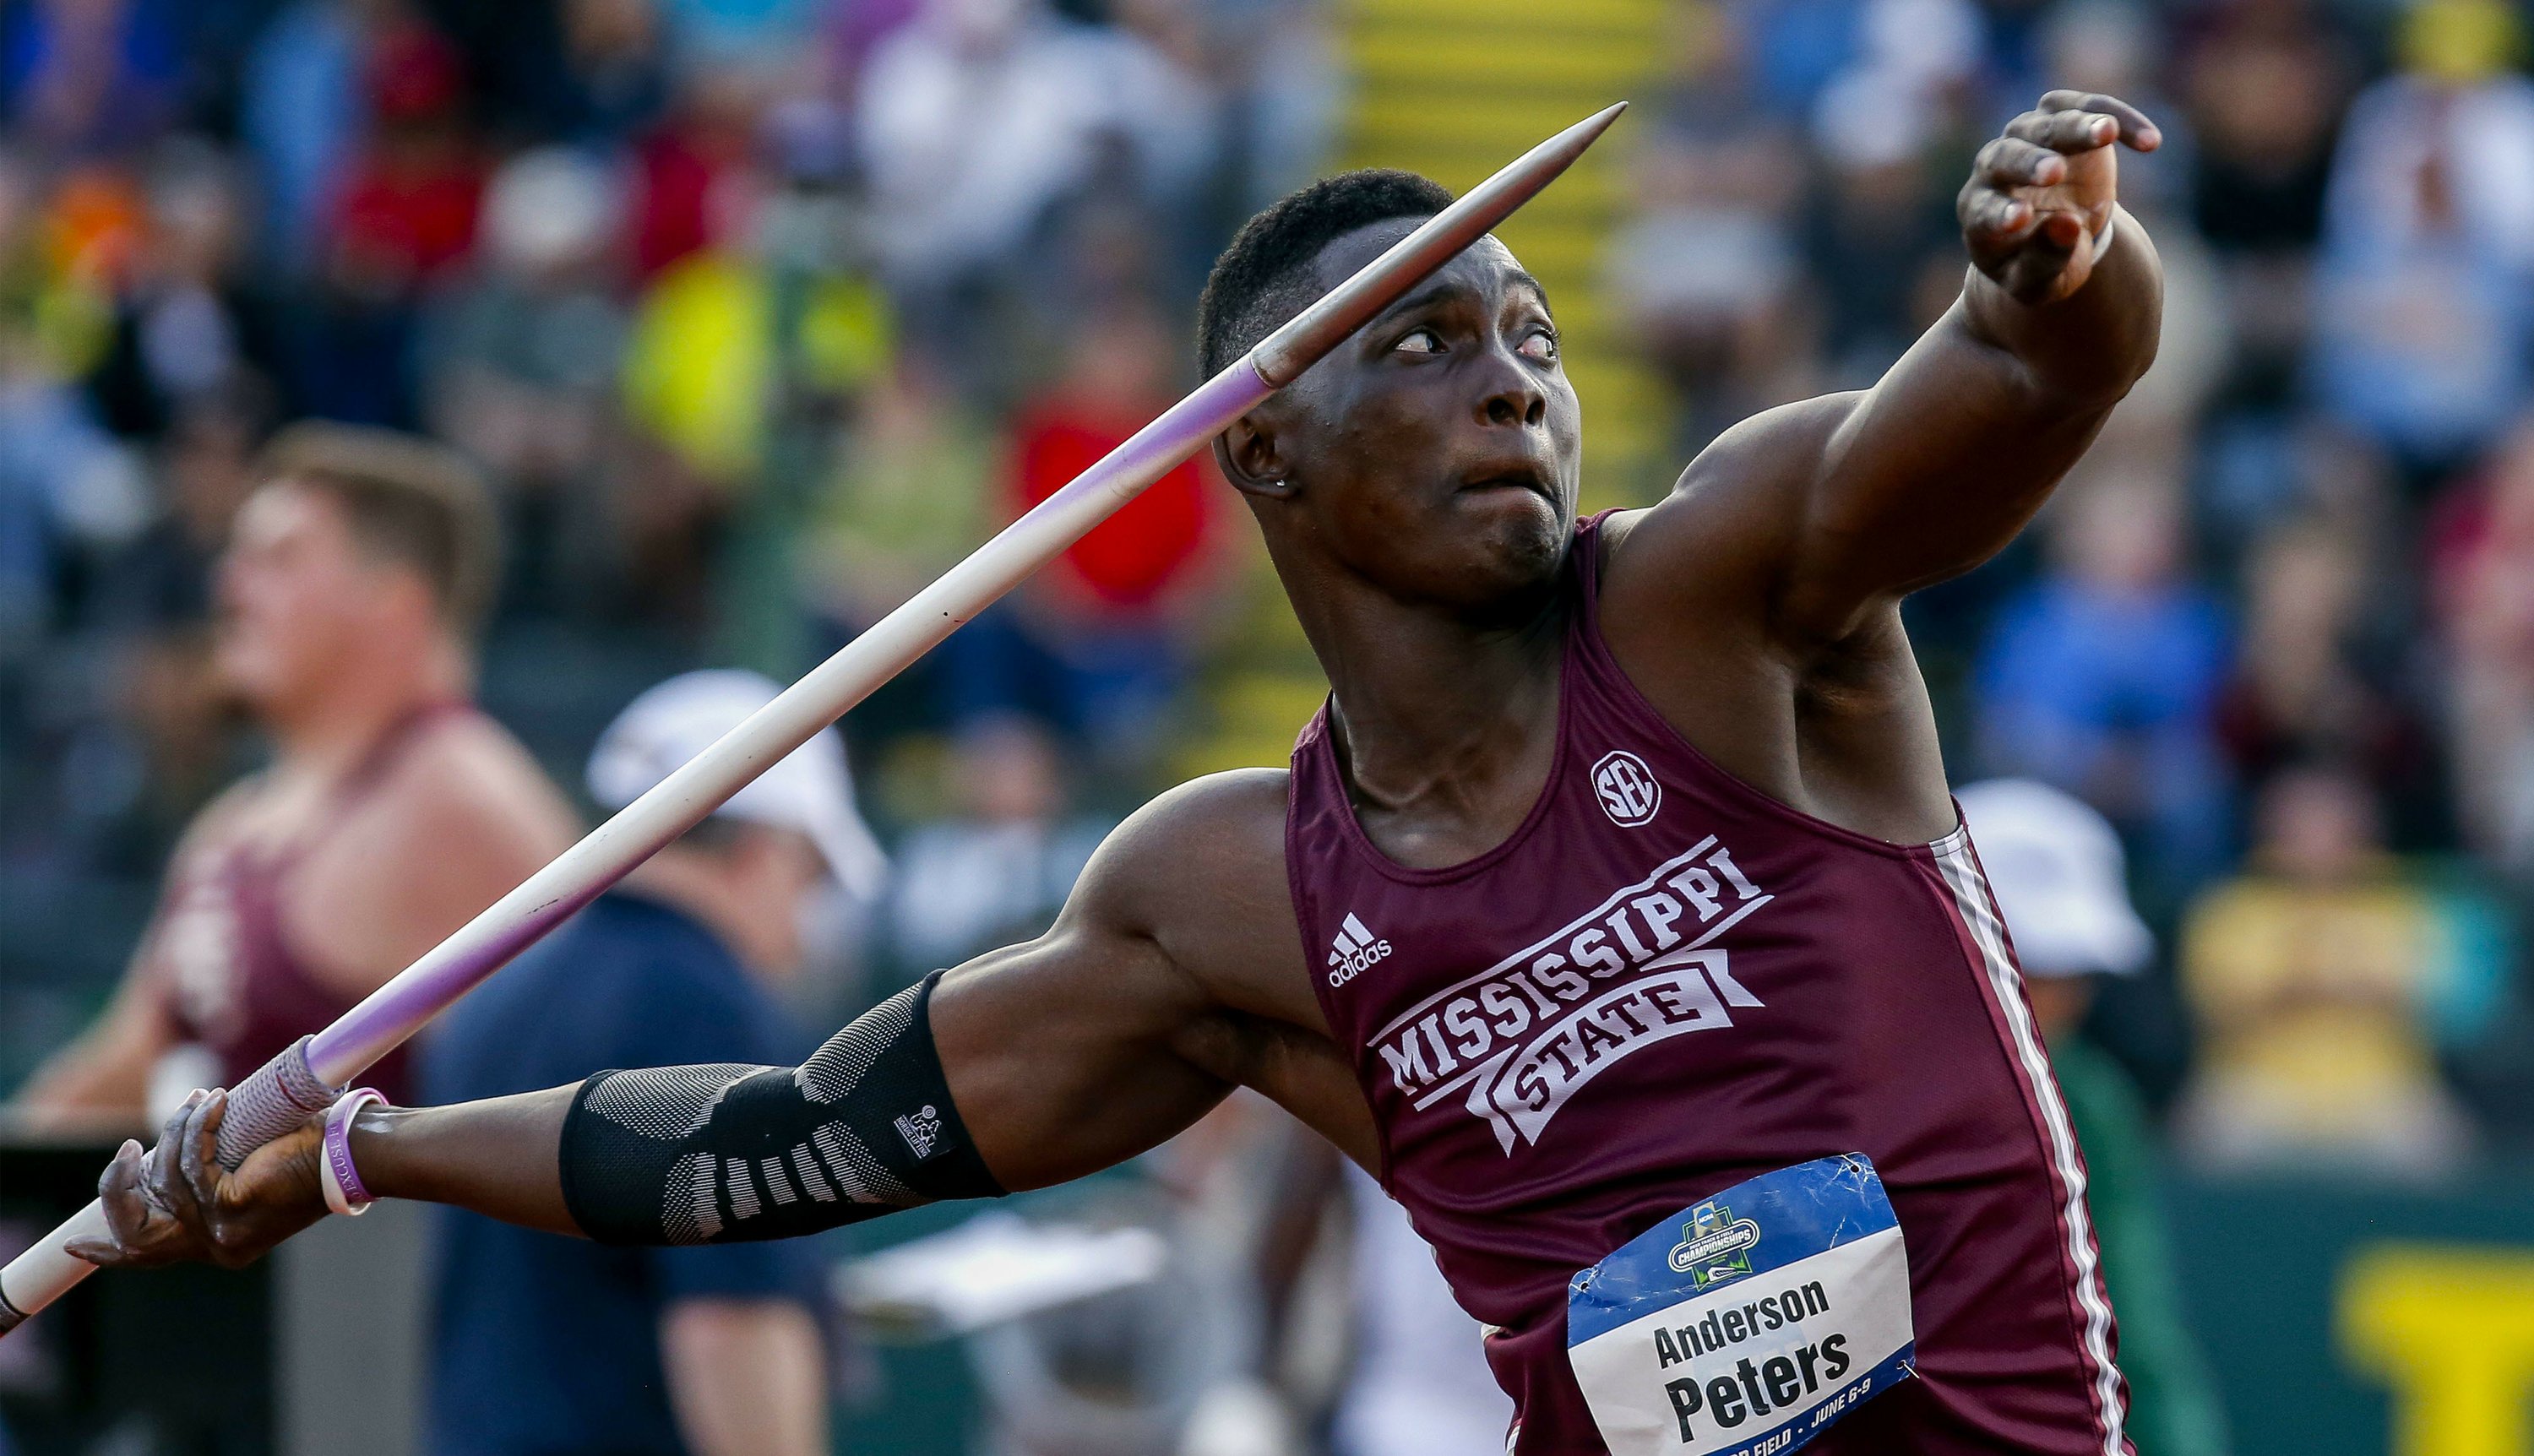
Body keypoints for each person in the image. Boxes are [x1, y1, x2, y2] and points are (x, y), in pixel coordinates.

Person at [78, 90, 2166, 1456]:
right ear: (1256, 448)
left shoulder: (1720, 599)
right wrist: (355, 1150)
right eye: (1423, 343)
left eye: (1526, 337)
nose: (1514, 384)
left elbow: (2014, 374)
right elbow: (799, 1135)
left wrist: (2062, 261)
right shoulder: (1230, 895)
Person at [11, 422, 578, 1126]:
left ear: (393, 599)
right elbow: (120, 1070)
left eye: (277, 558)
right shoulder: (240, 822)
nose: (228, 586)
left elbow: (554, 1119)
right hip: (246, 1236)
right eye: (236, 556)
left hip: (364, 1233)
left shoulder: (462, 809)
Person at [421, 670, 883, 1456]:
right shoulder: (711, 1010)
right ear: (765, 849)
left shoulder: (497, 997)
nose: (805, 929)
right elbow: (731, 1324)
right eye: (809, 877)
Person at [1955, 779, 2231, 1456]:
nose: (2057, 995)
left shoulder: (2090, 1098)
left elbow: (2134, 1319)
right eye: (2028, 958)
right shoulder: (1829, 1074)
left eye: (2072, 969)